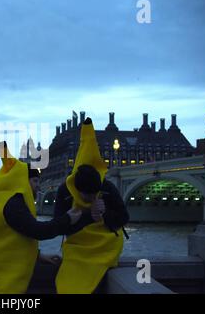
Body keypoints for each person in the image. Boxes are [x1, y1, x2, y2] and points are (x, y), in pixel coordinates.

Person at [0, 142, 82, 294]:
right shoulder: (13, 204)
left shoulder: (8, 199)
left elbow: (13, 239)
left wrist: (38, 256)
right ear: (21, 180)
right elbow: (36, 230)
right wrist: (67, 219)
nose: (38, 186)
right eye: (35, 181)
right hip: (0, 274)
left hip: (0, 268)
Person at [54, 117, 129, 294]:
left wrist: (104, 215)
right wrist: (87, 215)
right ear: (76, 189)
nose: (91, 197)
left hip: (105, 247)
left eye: (94, 194)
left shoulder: (107, 187)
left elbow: (124, 217)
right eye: (86, 195)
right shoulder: (64, 191)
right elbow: (58, 225)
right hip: (76, 248)